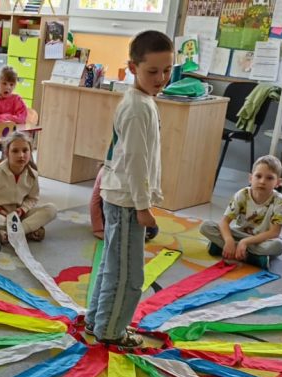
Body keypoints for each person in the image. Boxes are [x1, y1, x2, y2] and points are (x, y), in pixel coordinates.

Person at [84, 30, 174, 348]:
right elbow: (136, 162)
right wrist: (143, 207)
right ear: (133, 68)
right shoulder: (138, 108)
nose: (161, 78)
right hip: (127, 202)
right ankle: (110, 331)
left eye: (167, 70)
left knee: (113, 264)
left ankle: (97, 319)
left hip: (122, 197)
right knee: (128, 275)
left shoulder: (142, 101)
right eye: (153, 71)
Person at [200, 155, 282, 269]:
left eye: (269, 178)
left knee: (279, 246)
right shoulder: (242, 194)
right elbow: (224, 222)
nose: (262, 181)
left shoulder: (280, 201)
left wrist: (245, 242)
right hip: (239, 233)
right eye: (258, 176)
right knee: (206, 226)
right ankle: (251, 256)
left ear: (278, 182)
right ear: (250, 178)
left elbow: (274, 233)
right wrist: (228, 240)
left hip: (263, 240)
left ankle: (224, 249)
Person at [0, 131, 57, 243]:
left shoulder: (32, 174)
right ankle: (28, 230)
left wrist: (22, 210)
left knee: (51, 209)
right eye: (15, 151)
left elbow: (33, 198)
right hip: (1, 216)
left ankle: (12, 233)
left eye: (25, 150)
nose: (21, 155)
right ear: (7, 153)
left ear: (30, 152)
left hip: (21, 216)